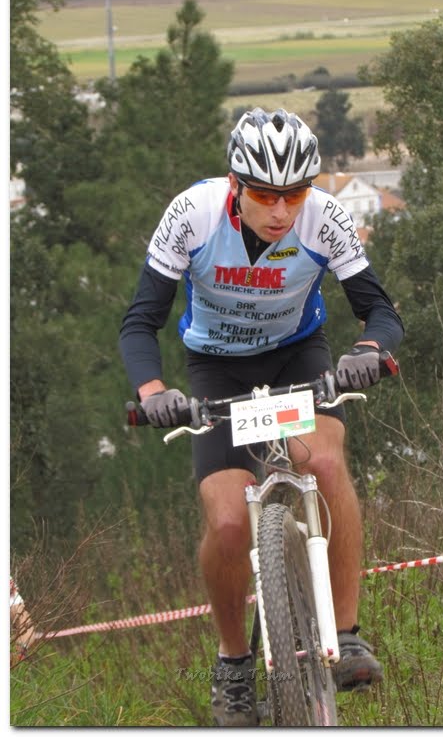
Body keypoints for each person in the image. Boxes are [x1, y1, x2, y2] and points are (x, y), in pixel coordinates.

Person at [119, 108, 404, 726]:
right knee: (227, 524)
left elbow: (381, 312)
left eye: (294, 195)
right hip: (216, 368)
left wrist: (366, 350)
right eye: (266, 195)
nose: (281, 211)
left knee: (323, 462)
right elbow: (140, 321)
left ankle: (347, 632)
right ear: (235, 184)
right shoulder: (192, 215)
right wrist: (153, 390)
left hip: (297, 357)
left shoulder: (325, 218)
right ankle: (232, 663)